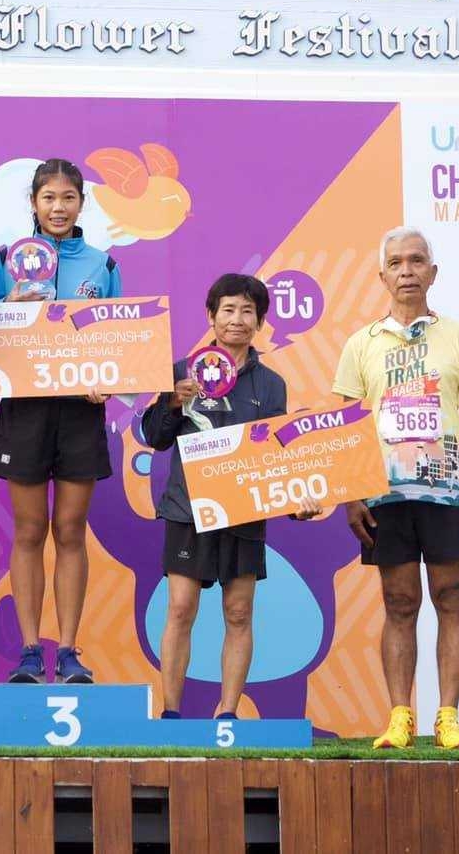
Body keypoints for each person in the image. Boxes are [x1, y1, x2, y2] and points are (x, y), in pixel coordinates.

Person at [333, 226, 459, 750]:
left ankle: (448, 717)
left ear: (432, 272)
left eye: (417, 261)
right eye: (396, 263)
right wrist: (351, 493)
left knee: (453, 596)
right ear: (382, 275)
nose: (407, 271)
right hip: (385, 495)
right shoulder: (361, 344)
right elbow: (348, 425)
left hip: (448, 492)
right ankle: (400, 717)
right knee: (399, 602)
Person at [142, 273, 319, 720]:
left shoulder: (271, 385)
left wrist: (296, 502)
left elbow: (277, 455)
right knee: (180, 608)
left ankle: (228, 713)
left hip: (243, 513)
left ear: (259, 321)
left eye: (247, 311)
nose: (237, 319)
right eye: (228, 310)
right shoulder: (182, 371)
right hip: (187, 509)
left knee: (239, 612)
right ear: (211, 316)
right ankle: (171, 713)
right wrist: (172, 403)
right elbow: (155, 438)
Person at [0, 159, 120, 685]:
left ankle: (67, 651)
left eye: (68, 198)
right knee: (28, 530)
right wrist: (8, 304)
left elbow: (118, 339)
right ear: (34, 203)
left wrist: (107, 378)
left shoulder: (103, 265)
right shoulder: (6, 259)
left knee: (69, 530)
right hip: (25, 408)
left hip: (80, 411)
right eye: (49, 198)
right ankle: (28, 651)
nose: (58, 208)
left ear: (82, 203)